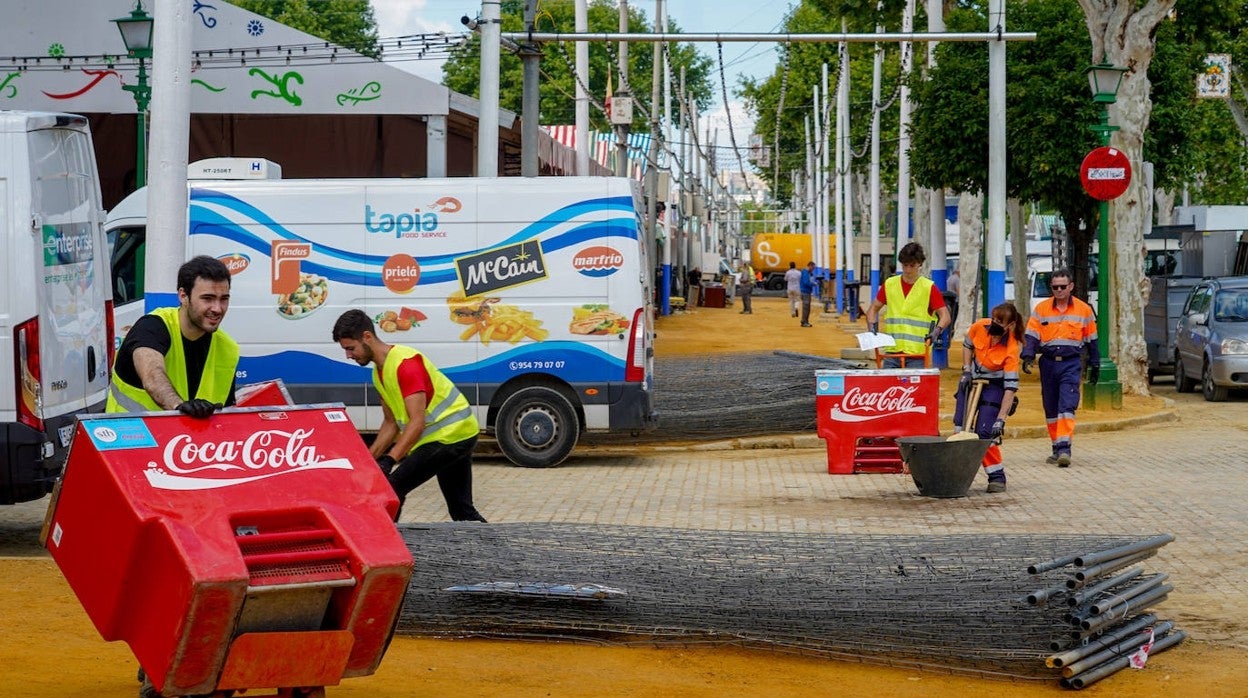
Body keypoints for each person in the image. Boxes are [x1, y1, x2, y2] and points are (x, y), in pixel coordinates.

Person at [332, 309, 487, 522]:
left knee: (392, 489)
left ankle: (385, 548)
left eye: (351, 348)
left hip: (449, 436)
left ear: (367, 337)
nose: (348, 355)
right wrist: (369, 459)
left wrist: (390, 459)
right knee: (461, 510)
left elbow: (417, 422)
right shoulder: (379, 373)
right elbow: (390, 423)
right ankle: (501, 551)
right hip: (454, 434)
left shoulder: (406, 364)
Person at [107, 255, 238, 417]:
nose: (217, 308)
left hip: (185, 440)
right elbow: (152, 375)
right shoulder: (152, 327)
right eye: (207, 299)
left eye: (224, 299)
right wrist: (179, 406)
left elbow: (226, 413)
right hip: (127, 437)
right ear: (183, 296)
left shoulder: (228, 349)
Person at [1021, 268, 1098, 468]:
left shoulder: (1084, 310)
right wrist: (1028, 356)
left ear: (1071, 287)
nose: (1059, 290)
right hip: (1047, 363)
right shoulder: (1041, 309)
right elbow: (1031, 335)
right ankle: (1056, 446)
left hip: (1071, 363)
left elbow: (1092, 340)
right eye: (1055, 287)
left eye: (1063, 287)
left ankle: (1065, 448)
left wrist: (1094, 363)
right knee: (1051, 407)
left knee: (1067, 405)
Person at [954, 302, 1023, 493]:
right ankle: (955, 473)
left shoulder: (1011, 349)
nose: (993, 323)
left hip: (994, 386)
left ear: (1009, 326)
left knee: (985, 431)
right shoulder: (979, 327)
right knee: (959, 425)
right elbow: (967, 346)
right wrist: (966, 370)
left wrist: (1000, 419)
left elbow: (1010, 389)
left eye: (999, 321)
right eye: (993, 318)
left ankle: (997, 476)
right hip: (972, 379)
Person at [864, 242, 951, 368]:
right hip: (892, 352)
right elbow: (873, 309)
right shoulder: (890, 285)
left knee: (914, 387)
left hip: (917, 354)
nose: (908, 270)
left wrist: (936, 332)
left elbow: (945, 316)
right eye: (905, 265)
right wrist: (872, 329)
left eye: (912, 265)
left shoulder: (928, 288)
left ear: (919, 264)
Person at [799, 261, 818, 327]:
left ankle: (805, 321)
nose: (813, 269)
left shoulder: (808, 273)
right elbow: (806, 282)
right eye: (813, 267)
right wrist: (813, 284)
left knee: (807, 307)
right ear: (810, 266)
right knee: (806, 308)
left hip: (806, 291)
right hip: (805, 292)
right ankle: (804, 322)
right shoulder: (805, 272)